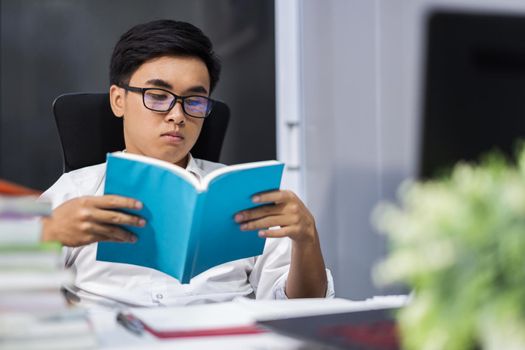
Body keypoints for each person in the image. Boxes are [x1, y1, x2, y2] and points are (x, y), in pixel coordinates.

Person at [41, 19, 334, 307]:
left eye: (194, 101)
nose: (177, 115)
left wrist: (307, 239)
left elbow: (301, 305)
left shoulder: (243, 195)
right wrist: (48, 234)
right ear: (119, 100)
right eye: (157, 96)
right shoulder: (75, 193)